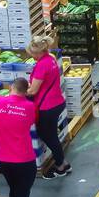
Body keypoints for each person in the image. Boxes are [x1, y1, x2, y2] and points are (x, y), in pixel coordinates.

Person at [28, 36, 71, 178]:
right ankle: (64, 162)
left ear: (39, 53)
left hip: (46, 106)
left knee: (48, 136)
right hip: (57, 102)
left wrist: (17, 93)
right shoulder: (51, 58)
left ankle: (60, 166)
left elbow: (33, 91)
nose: (32, 56)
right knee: (52, 134)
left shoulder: (41, 65)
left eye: (33, 54)